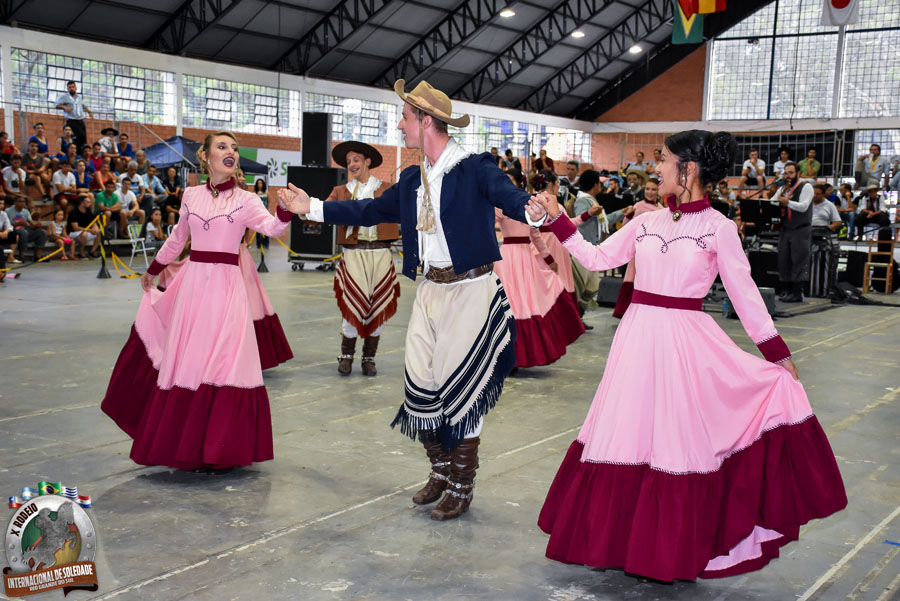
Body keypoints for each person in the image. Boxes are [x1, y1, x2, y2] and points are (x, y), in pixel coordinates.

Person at [528, 129, 846, 583]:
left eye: (664, 159)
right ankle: (622, 543)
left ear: (688, 168)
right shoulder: (647, 221)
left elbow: (744, 293)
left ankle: (667, 551)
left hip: (684, 345)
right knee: (628, 434)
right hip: (636, 340)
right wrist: (556, 219)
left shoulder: (719, 228)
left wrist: (776, 354)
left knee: (675, 443)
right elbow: (597, 258)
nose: (656, 167)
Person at [280, 79, 543, 520]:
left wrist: (532, 209)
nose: (400, 126)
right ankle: (440, 469)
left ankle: (461, 483)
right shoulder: (410, 179)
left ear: (426, 121)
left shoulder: (474, 168)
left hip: (471, 290)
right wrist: (313, 207)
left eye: (405, 118)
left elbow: (510, 197)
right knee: (421, 384)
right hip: (430, 290)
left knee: (462, 387)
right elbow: (369, 211)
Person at [101, 131, 298, 472]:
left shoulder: (247, 199)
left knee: (225, 359)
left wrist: (284, 210)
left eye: (234, 148)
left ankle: (221, 447)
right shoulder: (191, 195)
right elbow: (178, 239)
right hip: (193, 286)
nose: (230, 151)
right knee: (190, 360)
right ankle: (186, 444)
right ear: (205, 156)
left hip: (227, 288)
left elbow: (273, 229)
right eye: (222, 146)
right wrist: (153, 269)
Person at [324, 140, 401, 377]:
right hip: (353, 254)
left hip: (381, 253)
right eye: (348, 162)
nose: (352, 165)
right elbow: (321, 212)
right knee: (351, 304)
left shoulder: (388, 190)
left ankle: (369, 357)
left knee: (377, 305)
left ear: (368, 161)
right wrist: (302, 208)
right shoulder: (341, 192)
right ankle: (347, 355)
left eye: (356, 160)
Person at [494, 168, 583, 368]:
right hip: (506, 258)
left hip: (526, 258)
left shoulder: (530, 203)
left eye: (510, 180)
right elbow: (488, 229)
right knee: (512, 303)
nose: (505, 184)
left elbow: (535, 235)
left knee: (528, 302)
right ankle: (509, 356)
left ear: (519, 182)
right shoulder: (498, 205)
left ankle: (519, 356)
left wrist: (549, 259)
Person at [612, 177, 665, 318]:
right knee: (634, 280)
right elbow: (626, 227)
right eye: (647, 189)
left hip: (655, 254)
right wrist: (628, 216)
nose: (650, 192)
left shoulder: (663, 210)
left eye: (653, 189)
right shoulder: (638, 206)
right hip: (638, 252)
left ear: (659, 191)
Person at [773, 162, 813, 302]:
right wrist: (775, 200)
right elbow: (772, 201)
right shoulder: (783, 188)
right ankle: (787, 291)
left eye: (791, 173)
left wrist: (787, 202)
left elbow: (803, 206)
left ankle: (797, 293)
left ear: (798, 173)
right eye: (785, 173)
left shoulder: (806, 187)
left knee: (798, 260)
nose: (788, 176)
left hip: (800, 228)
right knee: (784, 260)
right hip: (786, 228)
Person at [6, 196, 48, 261]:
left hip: (25, 231)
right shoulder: (8, 211)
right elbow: (6, 226)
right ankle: (21, 256)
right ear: (15, 203)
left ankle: (37, 256)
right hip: (12, 231)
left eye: (23, 202)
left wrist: (37, 225)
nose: (22, 203)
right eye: (20, 201)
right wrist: (18, 224)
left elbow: (31, 225)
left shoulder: (25, 211)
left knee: (42, 232)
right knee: (23, 232)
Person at [54, 81, 93, 151]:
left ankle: (82, 153)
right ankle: (74, 152)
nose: (71, 88)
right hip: (71, 121)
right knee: (74, 138)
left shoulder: (79, 98)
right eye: (69, 87)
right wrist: (64, 107)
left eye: (73, 87)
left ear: (76, 88)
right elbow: (56, 105)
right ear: (67, 89)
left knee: (83, 137)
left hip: (80, 121)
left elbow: (84, 106)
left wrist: (89, 112)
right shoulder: (64, 97)